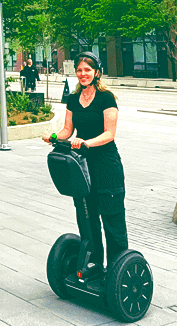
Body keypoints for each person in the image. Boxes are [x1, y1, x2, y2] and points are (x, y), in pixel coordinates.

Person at [42, 51, 128, 269]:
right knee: (87, 218)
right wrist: (53, 137)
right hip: (82, 167)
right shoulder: (73, 98)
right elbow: (67, 130)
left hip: (106, 165)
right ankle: (94, 264)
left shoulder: (106, 98)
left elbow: (110, 133)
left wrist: (87, 142)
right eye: (79, 70)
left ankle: (117, 269)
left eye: (87, 70)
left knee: (112, 220)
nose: (82, 74)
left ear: (97, 72)